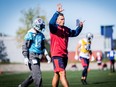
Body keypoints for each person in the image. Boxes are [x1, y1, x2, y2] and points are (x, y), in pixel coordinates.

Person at [49, 3, 83, 87]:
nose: (63, 21)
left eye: (64, 19)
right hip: (57, 55)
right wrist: (57, 12)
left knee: (57, 74)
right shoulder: (54, 29)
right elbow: (50, 23)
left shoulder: (66, 29)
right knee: (62, 73)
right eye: (61, 19)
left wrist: (80, 27)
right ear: (57, 20)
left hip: (64, 55)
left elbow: (75, 33)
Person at [18, 17, 51, 87]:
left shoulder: (41, 35)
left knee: (34, 75)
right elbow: (25, 46)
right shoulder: (30, 34)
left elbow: (42, 47)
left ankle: (22, 86)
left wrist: (47, 55)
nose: (42, 27)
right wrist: (25, 57)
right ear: (36, 25)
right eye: (41, 26)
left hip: (38, 56)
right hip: (32, 55)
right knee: (38, 75)